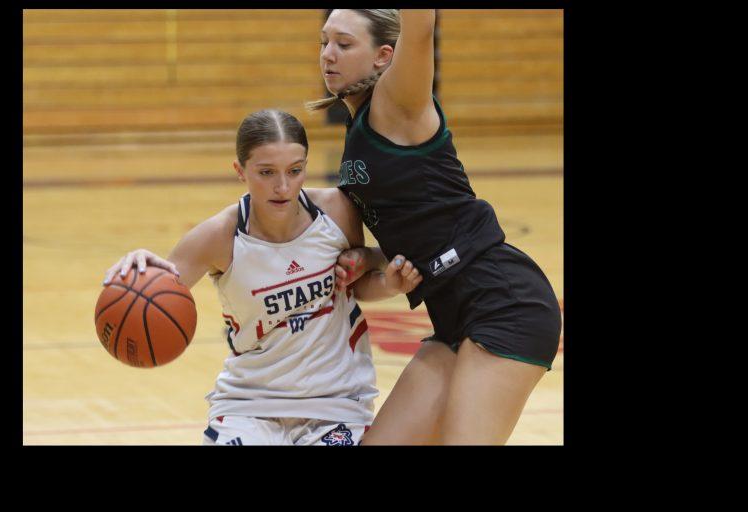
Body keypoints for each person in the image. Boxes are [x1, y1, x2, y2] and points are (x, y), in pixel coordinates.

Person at [308, 9, 562, 445]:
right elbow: (424, 231)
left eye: (344, 44)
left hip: (505, 305)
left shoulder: (397, 102)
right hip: (453, 317)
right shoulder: (360, 126)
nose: (328, 54)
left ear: (384, 56)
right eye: (324, 41)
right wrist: (372, 258)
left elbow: (421, 23)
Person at [102, 109, 423, 446]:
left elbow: (356, 285)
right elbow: (157, 287)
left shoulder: (337, 211)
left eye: (295, 171)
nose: (283, 186)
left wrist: (387, 282)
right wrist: (139, 267)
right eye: (267, 172)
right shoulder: (219, 236)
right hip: (249, 404)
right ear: (240, 170)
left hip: (337, 404)